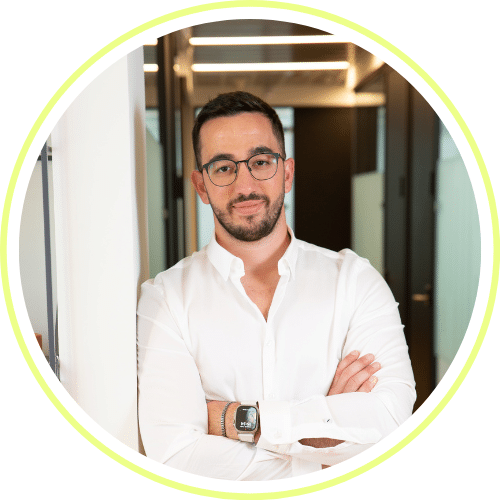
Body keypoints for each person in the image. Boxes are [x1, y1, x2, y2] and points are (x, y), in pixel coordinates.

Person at [137, 91, 416, 480]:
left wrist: (231, 419)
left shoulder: (355, 282)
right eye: (223, 167)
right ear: (201, 186)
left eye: (261, 162)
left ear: (286, 173)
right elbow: (177, 456)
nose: (245, 185)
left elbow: (390, 421)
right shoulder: (166, 298)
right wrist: (324, 441)